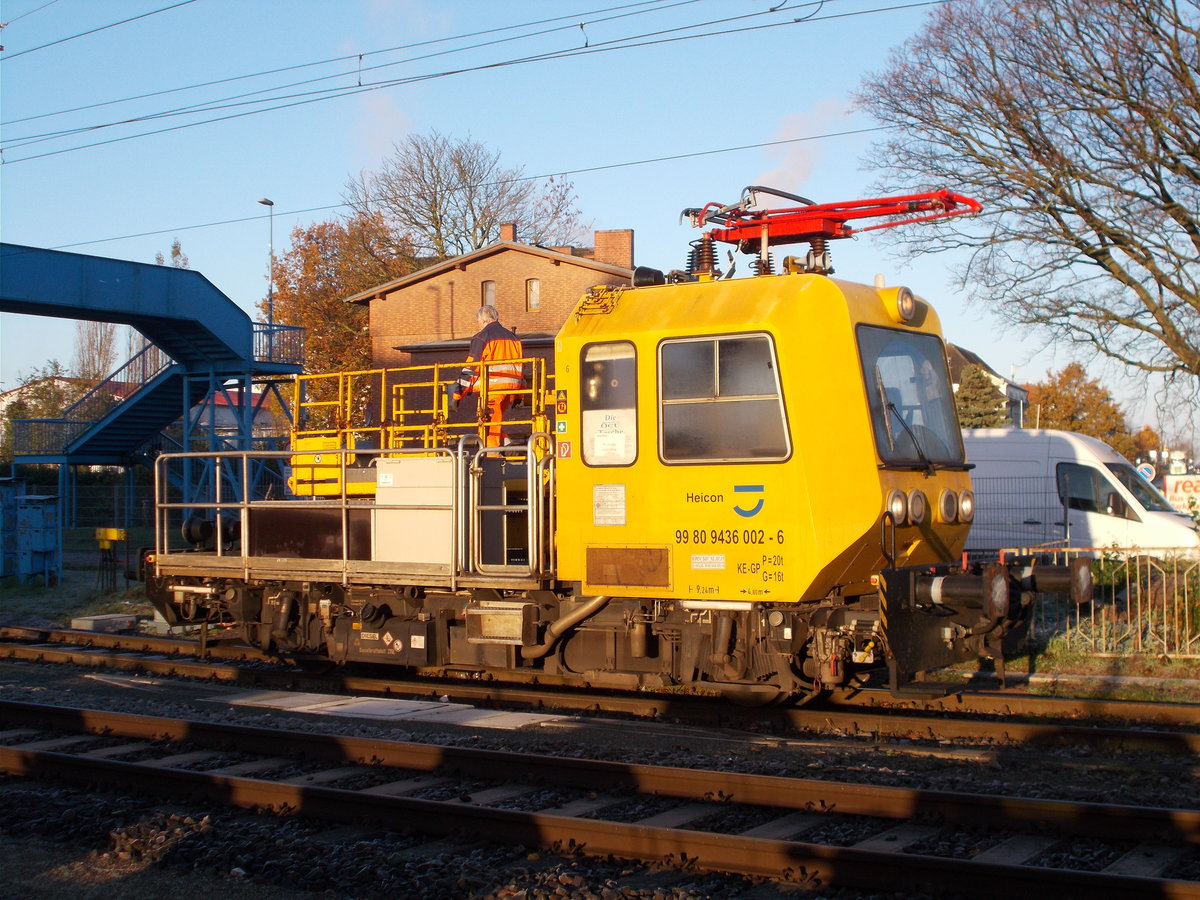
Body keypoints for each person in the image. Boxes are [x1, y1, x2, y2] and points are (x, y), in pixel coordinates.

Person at [450, 305, 525, 447]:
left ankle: (492, 457)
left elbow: (471, 367)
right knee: (496, 422)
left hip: (493, 388)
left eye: (478, 322)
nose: (477, 325)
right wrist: (520, 394)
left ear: (483, 320)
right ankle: (507, 445)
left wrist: (457, 394)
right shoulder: (514, 338)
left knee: (488, 425)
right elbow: (521, 365)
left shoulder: (482, 337)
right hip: (512, 389)